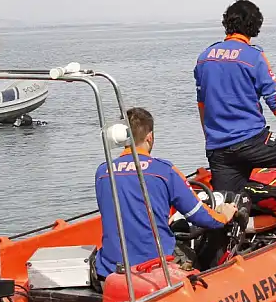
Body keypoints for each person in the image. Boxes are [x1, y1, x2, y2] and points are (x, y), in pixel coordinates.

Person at [193, 0, 276, 228]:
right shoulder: (253, 56)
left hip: (219, 149)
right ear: (255, 26)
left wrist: (211, 140)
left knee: (228, 210)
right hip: (252, 143)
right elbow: (275, 101)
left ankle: (222, 256)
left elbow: (202, 104)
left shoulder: (204, 57)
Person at [92, 107, 238, 283]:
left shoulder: (102, 171)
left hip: (110, 267)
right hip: (153, 266)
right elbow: (201, 217)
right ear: (150, 136)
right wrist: (224, 215)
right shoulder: (164, 171)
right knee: (199, 254)